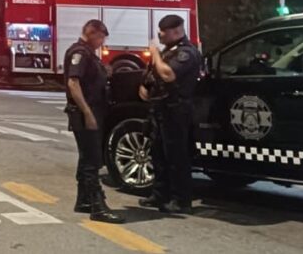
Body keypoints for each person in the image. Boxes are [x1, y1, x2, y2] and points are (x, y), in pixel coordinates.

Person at [139, 14, 202, 215]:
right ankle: (160, 193)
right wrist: (145, 85)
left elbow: (168, 74)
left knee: (176, 157)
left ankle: (181, 200)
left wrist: (155, 54)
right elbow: (154, 75)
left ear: (175, 31)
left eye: (163, 33)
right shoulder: (169, 52)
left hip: (177, 111)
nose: (160, 36)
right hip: (160, 109)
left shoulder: (186, 53)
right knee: (158, 154)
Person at [64, 19, 125, 223]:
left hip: (92, 111)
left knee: (86, 158)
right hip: (85, 113)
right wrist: (88, 113)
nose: (101, 42)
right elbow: (74, 83)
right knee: (92, 160)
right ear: (91, 33)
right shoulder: (79, 53)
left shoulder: (88, 54)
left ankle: (83, 200)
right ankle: (98, 207)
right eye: (100, 37)